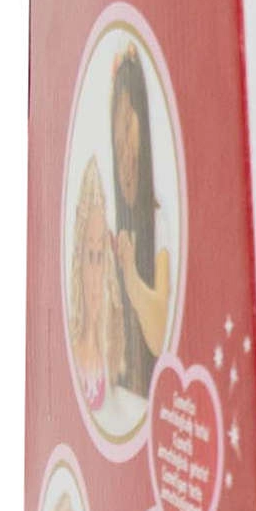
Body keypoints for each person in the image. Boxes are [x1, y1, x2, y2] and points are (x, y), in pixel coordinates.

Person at [109, 47, 171, 397]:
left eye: (128, 128)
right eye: (116, 139)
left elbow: (160, 335)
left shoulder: (160, 222)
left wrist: (131, 278)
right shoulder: (112, 227)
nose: (124, 155)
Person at [67, 156, 120, 416]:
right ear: (79, 263)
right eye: (90, 256)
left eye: (101, 257)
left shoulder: (109, 356)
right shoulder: (71, 350)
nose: (96, 275)